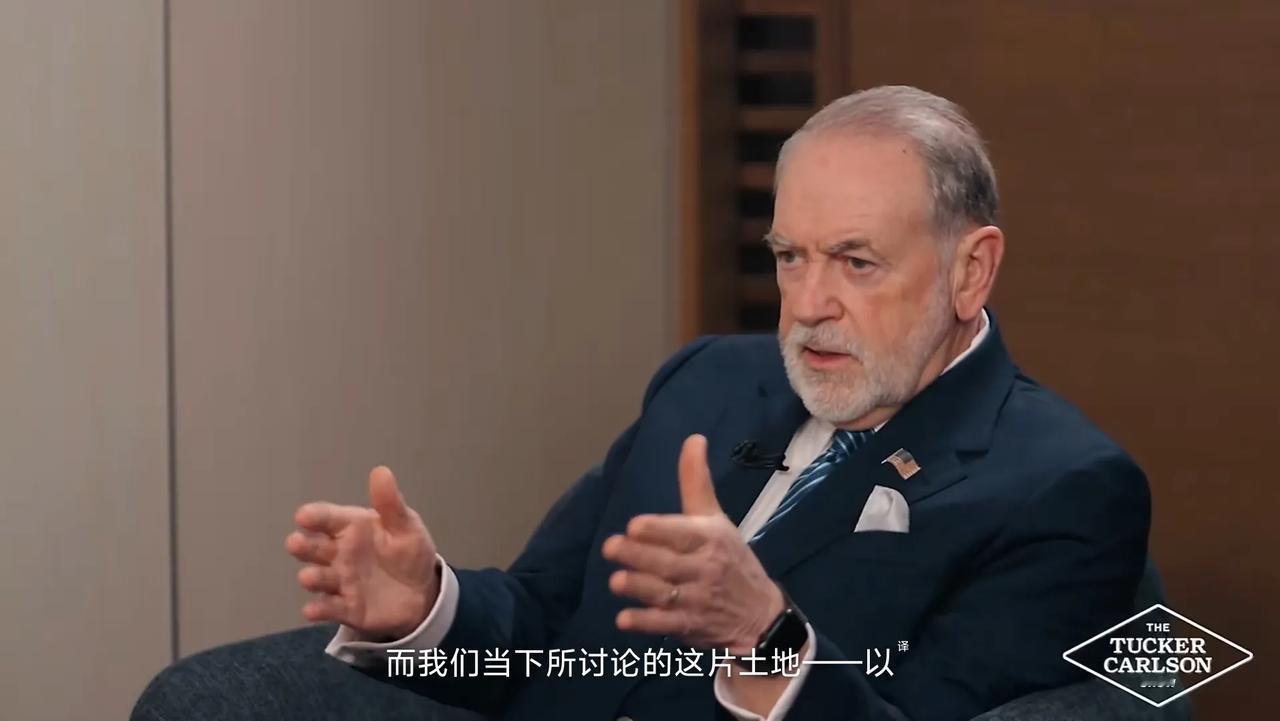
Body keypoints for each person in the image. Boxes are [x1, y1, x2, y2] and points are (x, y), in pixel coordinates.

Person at [284, 85, 1149, 721]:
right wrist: (426, 607)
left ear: (971, 270)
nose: (807, 304)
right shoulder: (708, 383)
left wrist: (765, 638)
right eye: (789, 256)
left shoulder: (1065, 490)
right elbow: (546, 622)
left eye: (856, 262)